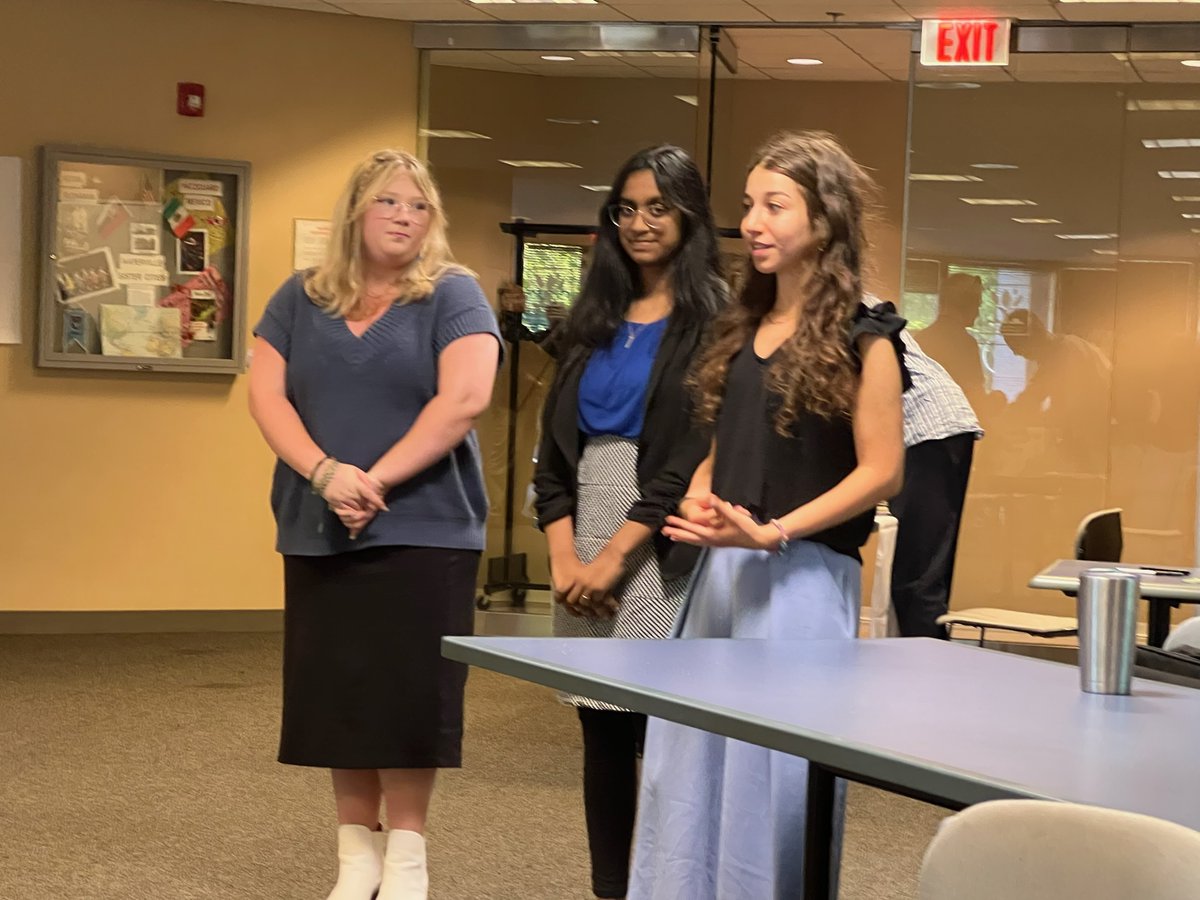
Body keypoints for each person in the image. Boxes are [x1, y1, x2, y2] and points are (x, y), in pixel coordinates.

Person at [628, 131, 907, 899]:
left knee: (771, 779)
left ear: (824, 219)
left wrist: (777, 530)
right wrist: (701, 494)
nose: (752, 222)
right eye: (749, 205)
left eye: (774, 206)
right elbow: (723, 451)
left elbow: (882, 471)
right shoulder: (742, 326)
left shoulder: (868, 335)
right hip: (722, 576)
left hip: (801, 580)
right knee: (689, 765)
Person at [247, 149, 501, 900]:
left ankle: (407, 859)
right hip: (318, 524)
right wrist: (325, 474)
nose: (403, 216)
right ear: (356, 210)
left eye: (418, 206)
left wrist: (377, 479)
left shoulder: (453, 294)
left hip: (426, 527)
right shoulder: (300, 298)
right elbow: (267, 397)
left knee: (408, 696)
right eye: (389, 201)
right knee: (341, 697)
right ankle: (356, 859)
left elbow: (465, 398)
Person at [533, 145, 724, 900]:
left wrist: (614, 557)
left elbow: (686, 459)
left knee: (662, 731)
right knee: (600, 727)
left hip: (658, 538)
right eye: (627, 209)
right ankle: (610, 890)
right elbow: (553, 455)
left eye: (658, 208)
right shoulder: (592, 319)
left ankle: (670, 885)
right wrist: (564, 558)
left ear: (688, 216)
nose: (640, 223)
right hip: (583, 527)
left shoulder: (714, 321)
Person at [886, 323, 982, 638]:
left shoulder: (834, 309)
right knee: (926, 574)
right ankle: (929, 657)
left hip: (925, 429)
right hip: (940, 425)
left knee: (916, 578)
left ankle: (925, 664)